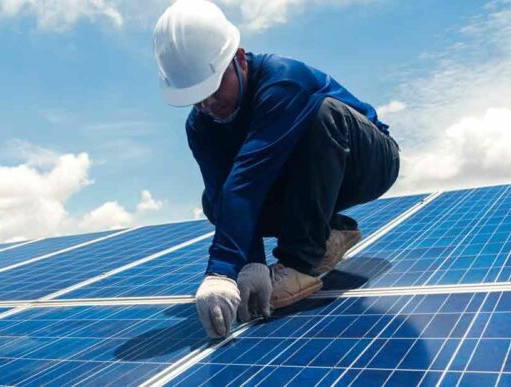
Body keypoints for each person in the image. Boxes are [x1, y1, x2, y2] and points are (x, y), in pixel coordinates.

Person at [153, 0, 400, 339]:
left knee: (321, 114)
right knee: (215, 202)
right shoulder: (201, 127)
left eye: (213, 88)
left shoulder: (283, 81)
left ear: (239, 59)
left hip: (367, 161)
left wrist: (222, 271)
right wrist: (250, 262)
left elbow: (248, 180)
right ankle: (329, 234)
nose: (208, 104)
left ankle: (300, 262)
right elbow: (226, 190)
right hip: (302, 180)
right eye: (196, 97)